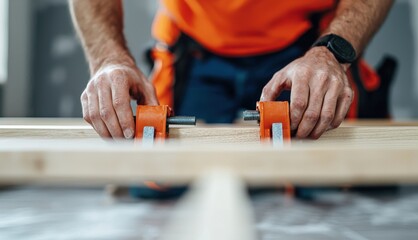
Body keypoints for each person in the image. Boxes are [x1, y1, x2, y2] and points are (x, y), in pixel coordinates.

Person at [70, 0, 393, 140]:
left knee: (331, 186)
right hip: (194, 45)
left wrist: (330, 54)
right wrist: (108, 60)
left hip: (305, 47)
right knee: (163, 184)